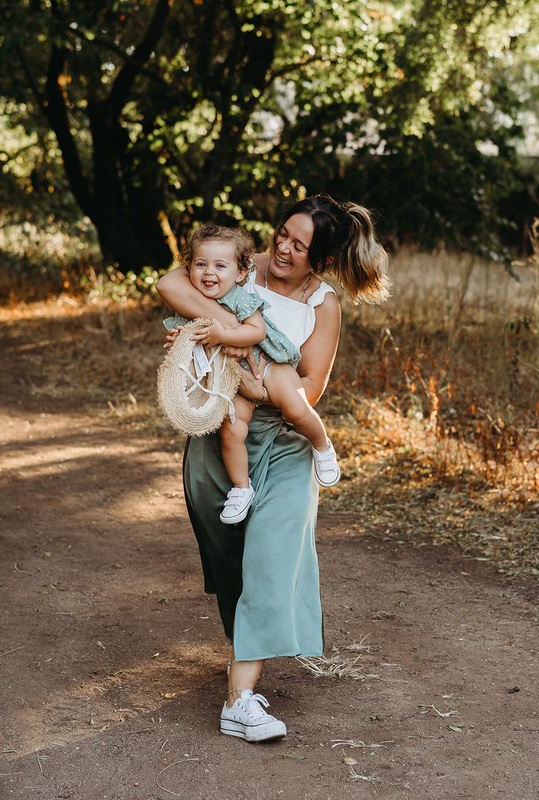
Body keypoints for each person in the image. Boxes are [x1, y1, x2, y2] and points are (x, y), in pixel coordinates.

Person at [156, 195, 390, 742]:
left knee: (272, 554)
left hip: (284, 439)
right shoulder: (243, 265)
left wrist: (249, 371)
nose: (282, 248)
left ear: (322, 260)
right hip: (223, 432)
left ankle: (240, 700)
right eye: (282, 233)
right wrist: (222, 328)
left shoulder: (324, 304)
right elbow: (171, 284)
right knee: (229, 556)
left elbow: (309, 387)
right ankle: (247, 655)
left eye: (298, 245)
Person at [162, 223, 342, 526]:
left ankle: (323, 445)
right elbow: (183, 314)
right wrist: (184, 338)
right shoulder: (209, 288)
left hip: (272, 366)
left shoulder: (238, 295)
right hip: (236, 383)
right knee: (232, 430)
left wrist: (224, 335)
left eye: (299, 246)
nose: (209, 272)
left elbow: (256, 330)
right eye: (200, 265)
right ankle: (241, 487)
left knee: (297, 407)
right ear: (190, 266)